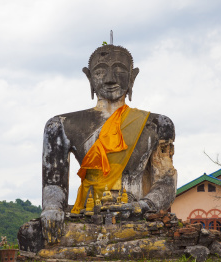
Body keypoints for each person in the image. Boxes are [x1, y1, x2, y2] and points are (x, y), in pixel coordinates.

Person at [41, 44, 177, 244]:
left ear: (132, 76)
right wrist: (52, 209)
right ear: (89, 77)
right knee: (32, 234)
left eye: (120, 70)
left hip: (137, 218)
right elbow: (53, 184)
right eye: (100, 71)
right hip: (88, 215)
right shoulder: (61, 125)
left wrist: (143, 206)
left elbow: (166, 182)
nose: (110, 78)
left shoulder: (157, 124)